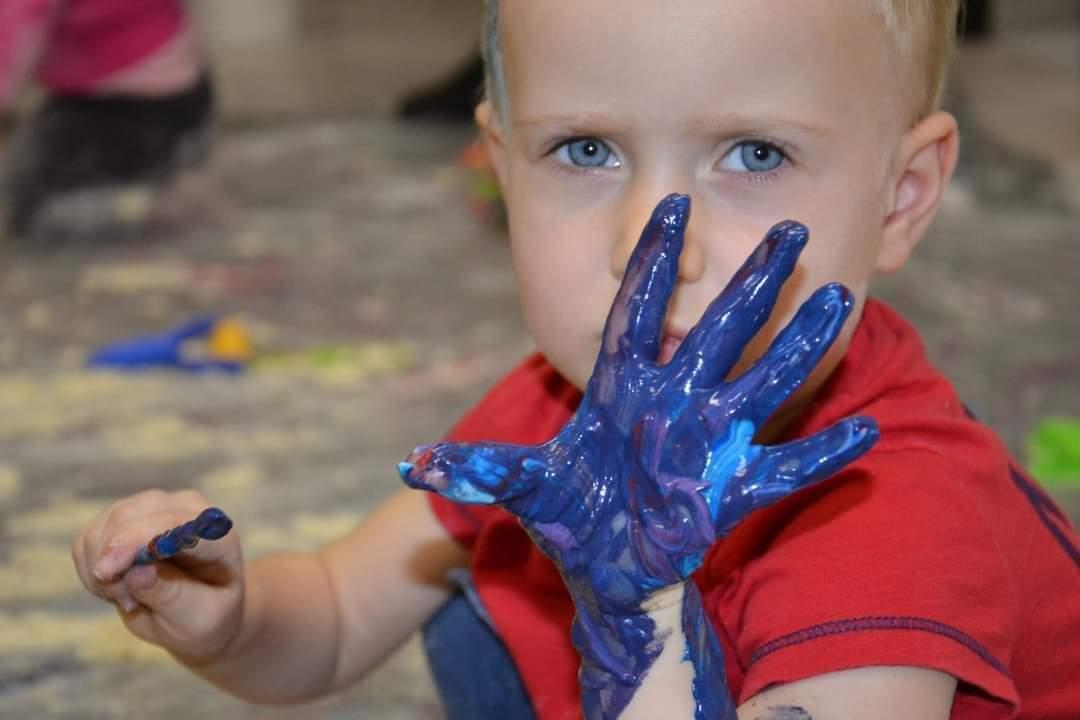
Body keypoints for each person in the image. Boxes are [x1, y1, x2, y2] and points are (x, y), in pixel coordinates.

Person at [72, 1, 1080, 719]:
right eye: (587, 151)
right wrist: (231, 618)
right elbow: (337, 615)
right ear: (501, 170)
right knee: (485, 589)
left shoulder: (887, 513)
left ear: (899, 197)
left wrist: (633, 607)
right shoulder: (570, 401)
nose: (655, 240)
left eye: (756, 154)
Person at [0, 0, 212, 235]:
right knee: (35, 161)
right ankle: (163, 175)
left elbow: (11, 34)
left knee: (32, 206)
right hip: (177, 88)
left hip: (132, 104)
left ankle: (144, 201)